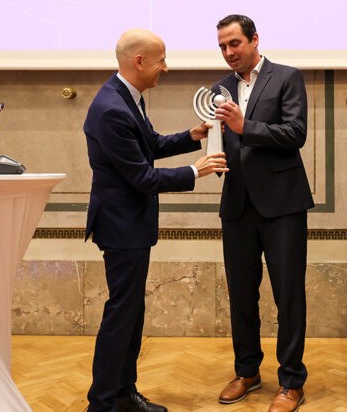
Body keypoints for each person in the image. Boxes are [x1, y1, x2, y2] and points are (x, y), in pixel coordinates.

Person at [83, 28, 228, 412]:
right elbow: (143, 178)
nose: (166, 67)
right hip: (121, 227)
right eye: (161, 60)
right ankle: (101, 403)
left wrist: (192, 136)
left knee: (131, 315)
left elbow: (149, 145)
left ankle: (123, 394)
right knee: (121, 316)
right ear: (139, 61)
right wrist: (196, 171)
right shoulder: (111, 109)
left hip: (131, 225)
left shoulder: (127, 97)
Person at [211, 15, 313, 412]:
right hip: (237, 204)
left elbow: (295, 133)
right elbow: (223, 140)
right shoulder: (219, 88)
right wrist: (212, 145)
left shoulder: (286, 77)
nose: (228, 52)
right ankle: (247, 371)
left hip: (283, 204)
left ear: (254, 39)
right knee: (240, 294)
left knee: (289, 296)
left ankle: (291, 381)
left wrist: (244, 126)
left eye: (234, 43)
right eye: (222, 46)